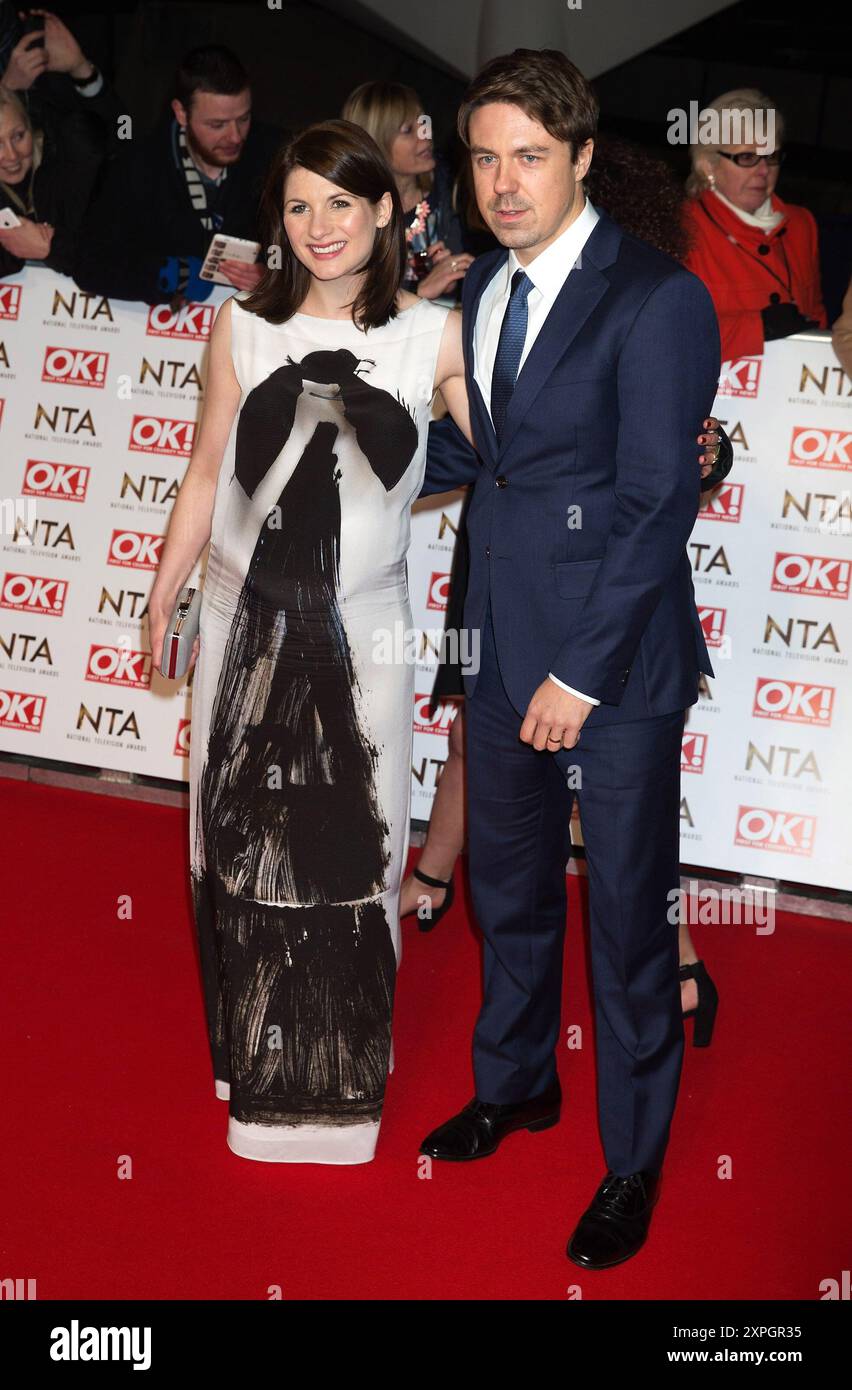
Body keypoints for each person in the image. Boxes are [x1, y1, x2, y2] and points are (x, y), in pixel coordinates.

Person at [416, 48, 722, 1270]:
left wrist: (580, 676)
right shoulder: (478, 287)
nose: (503, 182)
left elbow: (655, 503)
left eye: (528, 157)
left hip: (615, 665)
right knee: (510, 892)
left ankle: (633, 1161)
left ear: (584, 156)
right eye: (485, 157)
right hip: (498, 643)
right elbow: (479, 462)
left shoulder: (657, 297)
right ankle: (516, 1083)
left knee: (632, 923)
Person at [148, 118, 471, 1165]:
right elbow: (205, 472)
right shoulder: (240, 325)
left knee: (348, 839)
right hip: (238, 614)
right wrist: (164, 595)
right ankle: (244, 1053)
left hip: (363, 631)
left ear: (386, 209)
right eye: (298, 206)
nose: (320, 226)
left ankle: (332, 1085)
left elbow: (519, 450)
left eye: (341, 202)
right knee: (232, 833)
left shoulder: (435, 335)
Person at [72, 44, 284, 306]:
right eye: (216, 125)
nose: (235, 136)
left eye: (244, 119)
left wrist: (277, 277)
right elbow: (90, 263)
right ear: (181, 113)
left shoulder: (278, 157)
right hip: (157, 336)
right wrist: (170, 275)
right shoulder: (138, 166)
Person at [683, 87, 826, 362]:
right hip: (719, 399)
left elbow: (818, 319)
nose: (763, 171)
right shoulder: (681, 227)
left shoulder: (802, 225)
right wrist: (758, 328)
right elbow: (668, 336)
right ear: (708, 166)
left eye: (771, 156)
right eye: (747, 157)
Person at [0, 12, 122, 279]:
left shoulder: (69, 157)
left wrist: (82, 70)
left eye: (18, 136)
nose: (10, 155)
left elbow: (127, 132)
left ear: (32, 126)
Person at [342, 80, 474, 300]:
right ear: (375, 142)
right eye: (407, 130)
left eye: (423, 122)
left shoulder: (453, 187)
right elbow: (347, 297)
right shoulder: (350, 211)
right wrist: (419, 292)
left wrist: (453, 280)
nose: (426, 133)